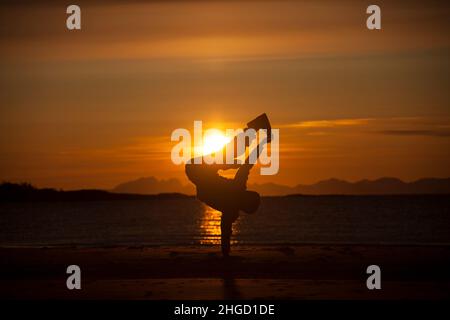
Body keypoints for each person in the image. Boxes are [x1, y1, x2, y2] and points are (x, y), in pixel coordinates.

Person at [185, 115, 271, 257]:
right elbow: (225, 230)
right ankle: (253, 128)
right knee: (231, 157)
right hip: (202, 173)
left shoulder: (238, 191)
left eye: (250, 194)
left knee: (231, 155)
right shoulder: (233, 209)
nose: (248, 192)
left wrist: (262, 143)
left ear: (246, 200)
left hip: (197, 169)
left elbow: (247, 164)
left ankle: (253, 128)